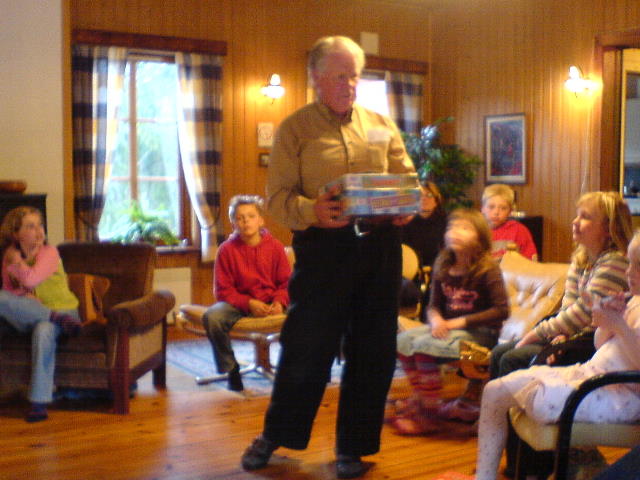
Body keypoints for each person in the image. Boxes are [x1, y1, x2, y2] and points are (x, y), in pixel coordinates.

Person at [240, 35, 415, 479]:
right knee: (306, 346)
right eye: (340, 76)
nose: (349, 84)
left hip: (380, 249)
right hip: (323, 250)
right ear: (316, 78)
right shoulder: (295, 129)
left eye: (354, 76)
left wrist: (406, 205)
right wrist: (311, 211)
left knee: (374, 349)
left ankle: (353, 447)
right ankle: (275, 435)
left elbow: (407, 178)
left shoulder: (381, 124)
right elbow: (276, 200)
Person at [475, 231, 640, 480]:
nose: (629, 272)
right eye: (630, 263)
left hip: (619, 395)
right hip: (591, 378)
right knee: (493, 391)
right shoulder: (634, 301)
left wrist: (618, 324)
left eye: (638, 266)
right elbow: (600, 345)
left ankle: (579, 459)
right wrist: (606, 321)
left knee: (525, 394)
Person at [389, 208, 509, 435]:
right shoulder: (443, 264)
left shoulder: (488, 269)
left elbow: (501, 310)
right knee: (402, 341)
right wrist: (435, 320)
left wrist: (455, 323)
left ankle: (428, 414)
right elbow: (433, 305)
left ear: (480, 237)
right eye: (452, 227)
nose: (455, 232)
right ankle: (423, 399)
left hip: (481, 340)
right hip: (447, 334)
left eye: (464, 228)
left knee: (423, 347)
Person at [0, 206, 82, 422]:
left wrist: (17, 262)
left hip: (66, 310)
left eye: (40, 225)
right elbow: (10, 292)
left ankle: (38, 402)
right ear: (15, 234)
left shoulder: (50, 252)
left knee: (43, 330)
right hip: (32, 314)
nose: (38, 231)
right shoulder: (9, 256)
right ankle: (52, 317)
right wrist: (25, 297)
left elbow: (30, 280)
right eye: (30, 226)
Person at [202, 194, 291, 392]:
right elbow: (223, 291)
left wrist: (279, 302)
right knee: (212, 317)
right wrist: (249, 303)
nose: (246, 221)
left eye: (251, 216)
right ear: (234, 223)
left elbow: (286, 283)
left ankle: (294, 369)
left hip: (272, 302)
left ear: (261, 220)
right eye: (240, 218)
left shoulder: (276, 247)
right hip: (239, 304)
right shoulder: (225, 250)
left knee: (306, 313)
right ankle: (231, 369)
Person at [400, 181, 447, 313]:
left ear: (436, 201)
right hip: (411, 271)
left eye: (429, 195)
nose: (424, 199)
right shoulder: (405, 222)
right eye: (420, 195)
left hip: (438, 268)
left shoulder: (445, 221)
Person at [481, 183, 537, 261]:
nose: (496, 212)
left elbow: (531, 260)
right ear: (482, 208)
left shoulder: (519, 231)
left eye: (503, 208)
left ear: (510, 211)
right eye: (491, 207)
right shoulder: (476, 230)